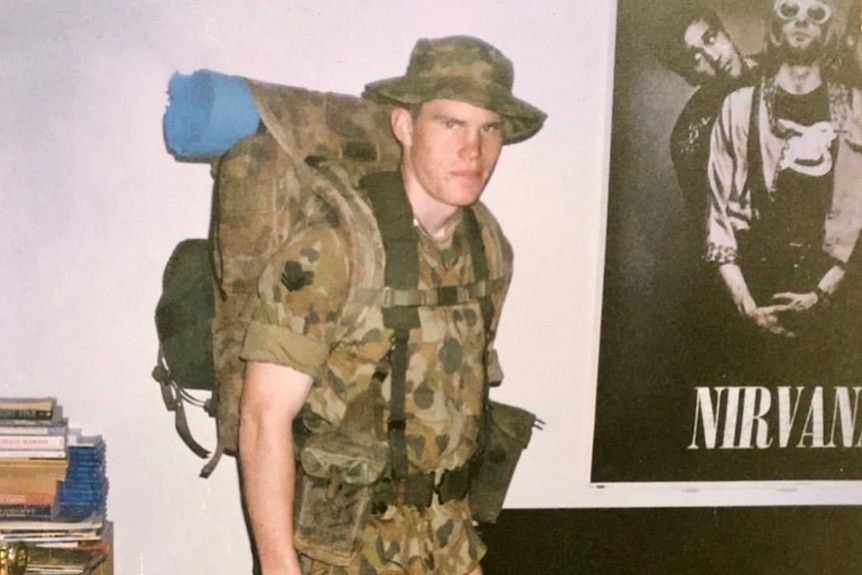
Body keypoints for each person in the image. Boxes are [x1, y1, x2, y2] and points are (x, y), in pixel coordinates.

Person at [237, 35, 545, 575]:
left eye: (488, 128)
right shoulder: (332, 250)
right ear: (405, 127)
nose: (473, 151)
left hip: (451, 545)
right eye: (450, 124)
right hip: (346, 549)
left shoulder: (488, 247)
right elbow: (264, 418)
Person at [706, 0, 862, 381]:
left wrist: (822, 294)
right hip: (757, 291)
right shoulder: (739, 108)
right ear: (775, 23)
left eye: (816, 13)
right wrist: (747, 304)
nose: (802, 22)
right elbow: (719, 218)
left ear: (828, 29)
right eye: (791, 9)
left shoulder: (855, 108)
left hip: (836, 299)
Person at [654, 4, 756, 232]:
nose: (715, 57)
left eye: (711, 38)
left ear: (725, 33)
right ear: (688, 76)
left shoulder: (785, 69)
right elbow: (714, 231)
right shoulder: (688, 139)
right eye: (695, 58)